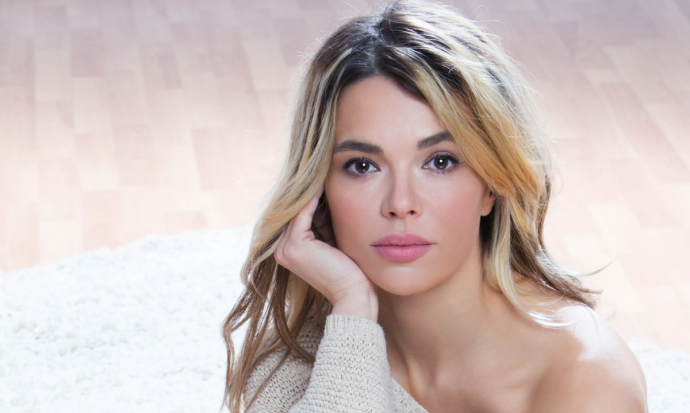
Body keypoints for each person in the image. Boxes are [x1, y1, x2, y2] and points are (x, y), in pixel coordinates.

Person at [221, 0, 648, 411]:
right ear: (319, 189)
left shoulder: (585, 378)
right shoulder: (302, 361)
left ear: (492, 182)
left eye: (440, 162)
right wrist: (353, 307)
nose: (400, 204)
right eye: (363, 165)